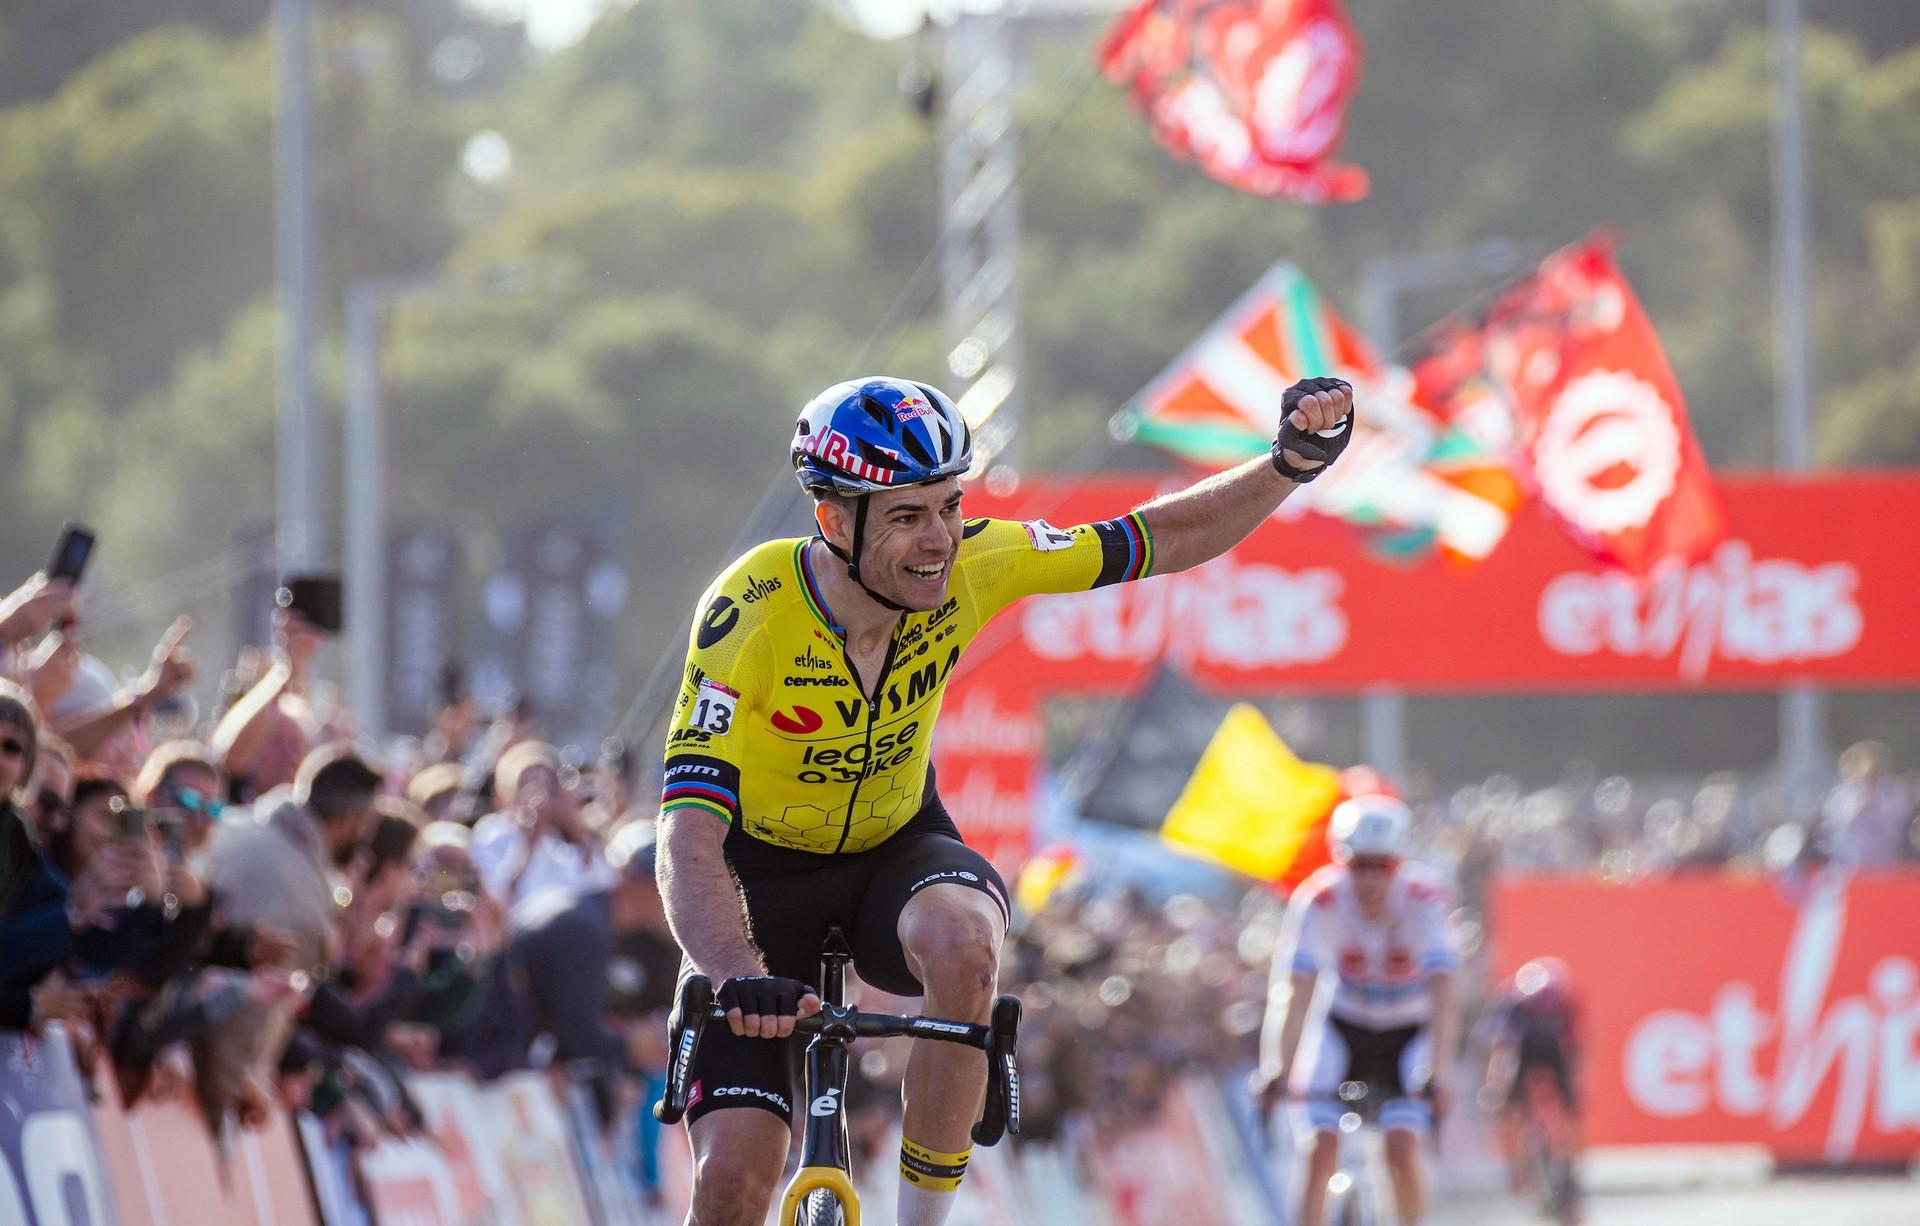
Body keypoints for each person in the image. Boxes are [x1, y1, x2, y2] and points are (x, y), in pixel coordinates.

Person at [656, 373, 1355, 1226]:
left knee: (963, 942)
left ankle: (922, 1221)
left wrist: (1288, 464)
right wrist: (733, 973)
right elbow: (688, 835)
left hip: (895, 849)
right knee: (732, 1180)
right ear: (835, 520)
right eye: (908, 516)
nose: (939, 540)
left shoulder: (978, 563)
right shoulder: (749, 612)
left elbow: (1158, 538)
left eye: (949, 507)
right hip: (758, 886)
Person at [1254, 795, 1461, 1226]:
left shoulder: (1425, 900)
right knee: (1319, 1151)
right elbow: (1294, 994)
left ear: (1398, 863)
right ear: (1341, 861)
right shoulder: (1321, 900)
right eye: (1357, 865)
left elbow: (1445, 997)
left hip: (1409, 1034)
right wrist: (1277, 1069)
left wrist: (1438, 1073)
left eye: (1380, 866)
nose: (1368, 879)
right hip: (1342, 1029)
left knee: (1400, 1149)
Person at [1480, 956, 1582, 1204]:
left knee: (1505, 1105)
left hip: (1532, 1052)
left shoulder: (1511, 1002)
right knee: (1570, 1108)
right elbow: (1577, 1048)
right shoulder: (1551, 1001)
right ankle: (1567, 1168)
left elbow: (1499, 1050)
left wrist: (1495, 1087)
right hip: (1547, 1052)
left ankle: (1524, 1168)